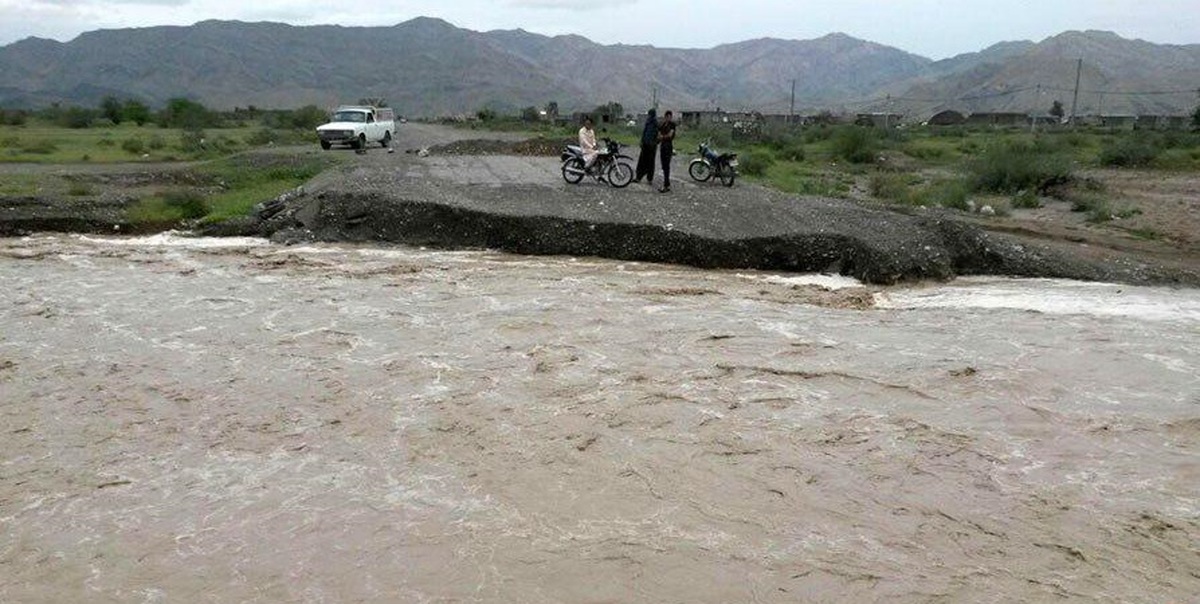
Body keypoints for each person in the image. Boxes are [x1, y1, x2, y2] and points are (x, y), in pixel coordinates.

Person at [634, 108, 658, 184]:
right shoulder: (648, 122)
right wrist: (642, 141)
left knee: (650, 163)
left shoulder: (656, 123)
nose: (648, 116)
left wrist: (654, 143)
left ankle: (649, 179)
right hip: (645, 145)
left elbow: (658, 135)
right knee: (641, 162)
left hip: (652, 147)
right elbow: (644, 133)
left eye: (650, 114)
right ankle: (638, 177)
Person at [657, 110, 677, 193]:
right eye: (667, 117)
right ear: (665, 117)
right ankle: (666, 183)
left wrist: (662, 137)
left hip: (668, 146)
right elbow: (658, 135)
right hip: (662, 146)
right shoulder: (662, 125)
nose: (668, 118)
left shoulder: (672, 125)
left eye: (670, 117)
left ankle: (666, 185)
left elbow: (670, 135)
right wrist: (661, 137)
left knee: (666, 166)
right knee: (664, 166)